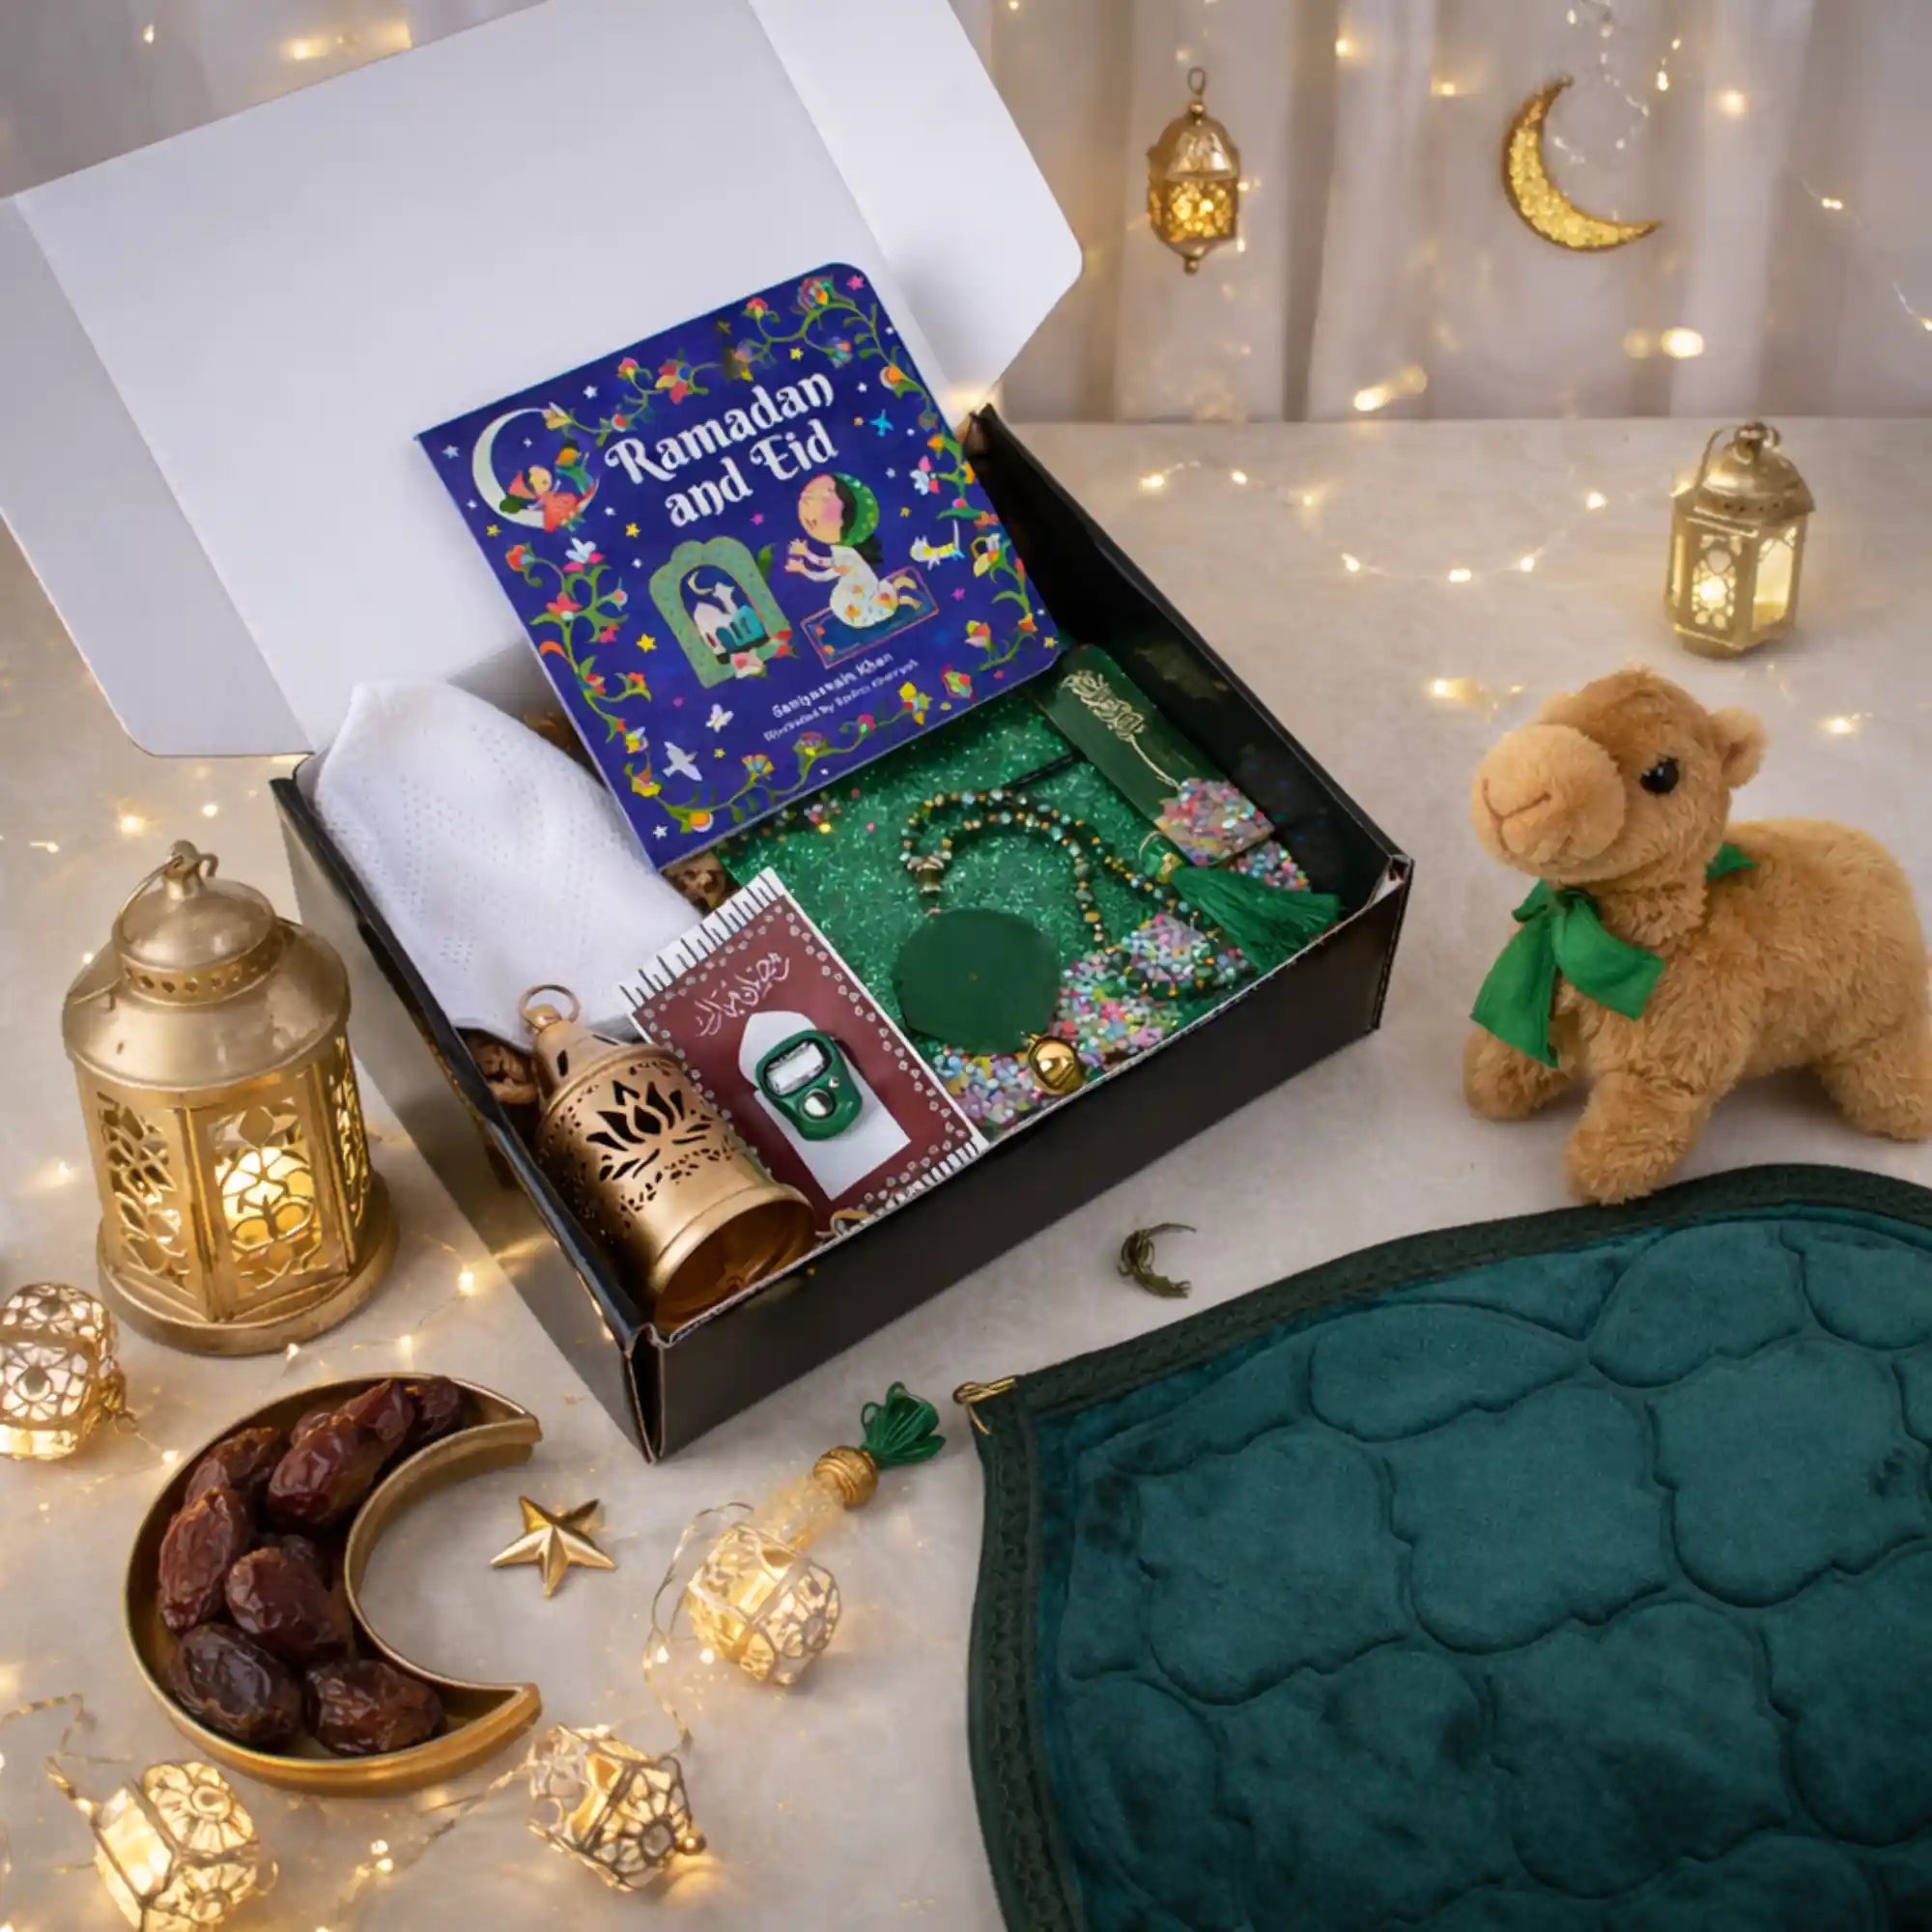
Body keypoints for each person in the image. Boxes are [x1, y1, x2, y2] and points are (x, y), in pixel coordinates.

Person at [784, 472, 901, 628]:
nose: (806, 498)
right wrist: (805, 557)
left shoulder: (848, 560)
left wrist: (803, 565)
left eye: (826, 497)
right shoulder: (846, 556)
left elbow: (824, 573)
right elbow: (826, 565)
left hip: (858, 604)